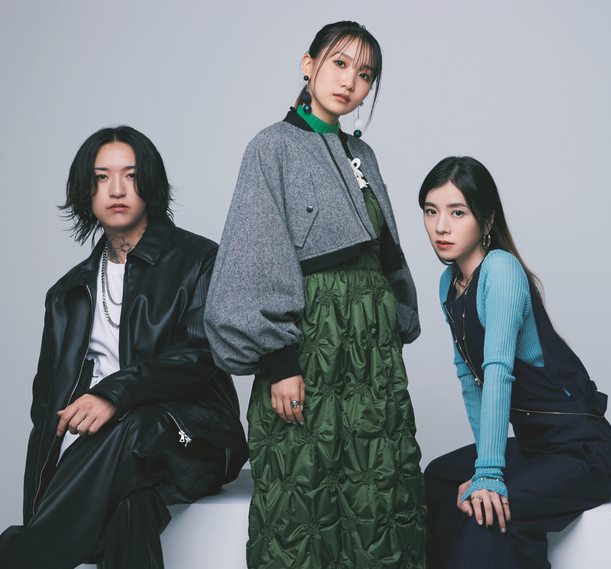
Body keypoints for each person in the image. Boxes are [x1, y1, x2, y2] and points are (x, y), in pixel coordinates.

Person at [205, 20, 426, 569]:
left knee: (378, 493)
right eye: (340, 63)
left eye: (365, 74)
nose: (350, 81)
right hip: (310, 347)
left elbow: (385, 253)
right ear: (309, 65)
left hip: (371, 355)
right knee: (303, 496)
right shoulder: (271, 147)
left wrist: (396, 315)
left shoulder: (362, 153)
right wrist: (280, 361)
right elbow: (256, 252)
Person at [0, 126, 248, 569]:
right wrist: (38, 504)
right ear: (86, 191)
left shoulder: (199, 260)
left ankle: (20, 557)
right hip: (103, 457)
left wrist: (114, 393)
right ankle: (35, 545)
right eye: (102, 177)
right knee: (129, 507)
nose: (116, 189)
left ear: (150, 183)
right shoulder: (68, 293)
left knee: (134, 426)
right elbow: (47, 407)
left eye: (130, 176)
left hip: (194, 437)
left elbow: (201, 354)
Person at [419, 156, 611, 568]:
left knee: (486, 511)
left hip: (583, 453)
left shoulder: (501, 270)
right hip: (534, 449)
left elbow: (497, 374)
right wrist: (483, 467)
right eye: (430, 211)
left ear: (486, 219)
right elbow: (470, 382)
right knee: (439, 479)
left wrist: (490, 475)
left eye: (457, 212)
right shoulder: (449, 284)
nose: (441, 227)